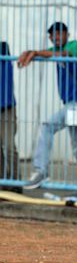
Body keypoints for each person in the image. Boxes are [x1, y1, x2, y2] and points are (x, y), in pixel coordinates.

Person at [18, 22, 77, 189]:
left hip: (76, 104)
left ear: (67, 34)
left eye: (59, 33)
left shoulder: (74, 45)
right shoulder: (52, 50)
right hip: (73, 104)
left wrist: (36, 52)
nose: (56, 37)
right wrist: (30, 53)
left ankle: (40, 171)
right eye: (53, 35)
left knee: (48, 127)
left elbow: (65, 53)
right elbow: (48, 53)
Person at [0, 42, 21, 193]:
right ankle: (3, 180)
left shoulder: (4, 53)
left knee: (8, 146)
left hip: (6, 108)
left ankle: (15, 181)